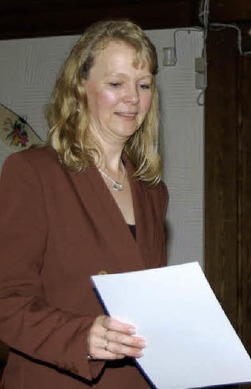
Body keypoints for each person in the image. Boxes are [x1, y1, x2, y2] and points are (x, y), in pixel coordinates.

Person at [0, 19, 168, 388]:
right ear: (80, 87)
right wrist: (81, 336)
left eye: (144, 85)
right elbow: (7, 301)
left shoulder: (153, 191)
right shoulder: (32, 172)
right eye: (115, 83)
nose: (132, 98)